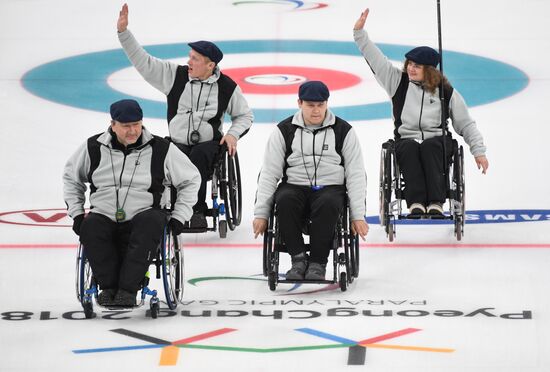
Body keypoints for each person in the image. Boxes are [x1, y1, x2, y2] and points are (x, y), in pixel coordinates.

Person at [116, 3, 253, 229]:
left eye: (195, 59)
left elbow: (244, 116)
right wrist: (124, 34)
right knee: (165, 155)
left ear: (210, 65)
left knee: (198, 155)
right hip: (177, 142)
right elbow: (144, 62)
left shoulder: (227, 87)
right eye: (190, 57)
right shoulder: (175, 76)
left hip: (209, 145)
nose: (189, 62)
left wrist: (232, 135)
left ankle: (196, 209)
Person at [63, 99, 201, 307]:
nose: (133, 130)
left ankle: (128, 290)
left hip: (144, 213)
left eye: (137, 124)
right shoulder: (93, 147)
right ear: (113, 124)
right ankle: (108, 288)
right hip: (104, 213)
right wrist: (76, 213)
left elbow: (191, 179)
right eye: (126, 126)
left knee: (151, 223)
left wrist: (180, 215)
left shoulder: (161, 149)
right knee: (90, 226)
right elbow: (71, 178)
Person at [354, 8, 489, 216]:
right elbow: (377, 61)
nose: (411, 69)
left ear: (430, 70)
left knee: (430, 147)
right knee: (408, 148)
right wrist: (360, 34)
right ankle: (415, 202)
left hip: (437, 141)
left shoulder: (445, 91)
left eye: (417, 66)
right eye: (410, 64)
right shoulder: (397, 82)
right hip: (405, 139)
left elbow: (465, 123)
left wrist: (478, 151)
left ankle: (436, 202)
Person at [253, 81, 369, 281]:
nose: (316, 110)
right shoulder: (284, 130)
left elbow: (356, 174)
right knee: (285, 199)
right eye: (310, 105)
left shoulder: (344, 131)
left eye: (320, 105)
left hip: (330, 187)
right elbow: (269, 173)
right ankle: (298, 259)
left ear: (326, 104)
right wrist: (261, 214)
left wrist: (357, 215)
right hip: (295, 185)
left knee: (329, 202)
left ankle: (318, 262)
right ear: (299, 103)